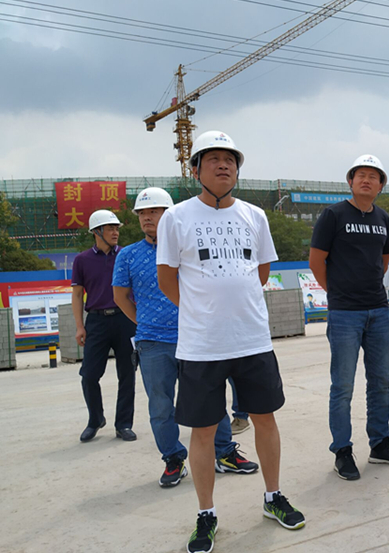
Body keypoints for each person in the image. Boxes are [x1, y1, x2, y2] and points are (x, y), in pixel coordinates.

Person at [156, 130, 304, 553]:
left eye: (230, 160)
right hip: (202, 346)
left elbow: (261, 272)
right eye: (213, 158)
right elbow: (167, 279)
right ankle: (206, 514)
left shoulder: (254, 216)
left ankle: (273, 496)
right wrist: (203, 312)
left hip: (252, 340)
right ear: (195, 169)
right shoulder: (176, 218)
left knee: (265, 419)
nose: (223, 165)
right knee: (203, 431)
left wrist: (234, 310)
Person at [112, 187, 258, 488]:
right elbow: (120, 296)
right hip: (153, 343)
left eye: (154, 212)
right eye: (142, 213)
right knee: (161, 406)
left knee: (211, 399)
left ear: (170, 215)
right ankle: (173, 459)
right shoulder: (128, 255)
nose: (147, 218)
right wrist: (145, 323)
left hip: (197, 338)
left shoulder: (189, 247)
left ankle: (224, 452)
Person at [309, 154, 389, 481]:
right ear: (350, 182)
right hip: (344, 314)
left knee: (380, 382)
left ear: (381, 185)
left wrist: (368, 290)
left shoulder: (383, 217)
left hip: (378, 311)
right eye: (361, 175)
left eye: (373, 176)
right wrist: (337, 293)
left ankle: (380, 444)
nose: (367, 180)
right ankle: (342, 450)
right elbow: (316, 261)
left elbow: (384, 258)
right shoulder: (334, 215)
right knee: (342, 385)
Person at [72, 209, 137, 443]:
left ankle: (124, 424)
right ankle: (95, 419)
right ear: (96, 232)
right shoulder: (82, 260)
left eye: (116, 228)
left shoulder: (127, 255)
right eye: (110, 229)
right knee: (89, 375)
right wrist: (80, 327)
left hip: (125, 320)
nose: (115, 232)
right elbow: (77, 295)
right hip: (97, 322)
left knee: (127, 374)